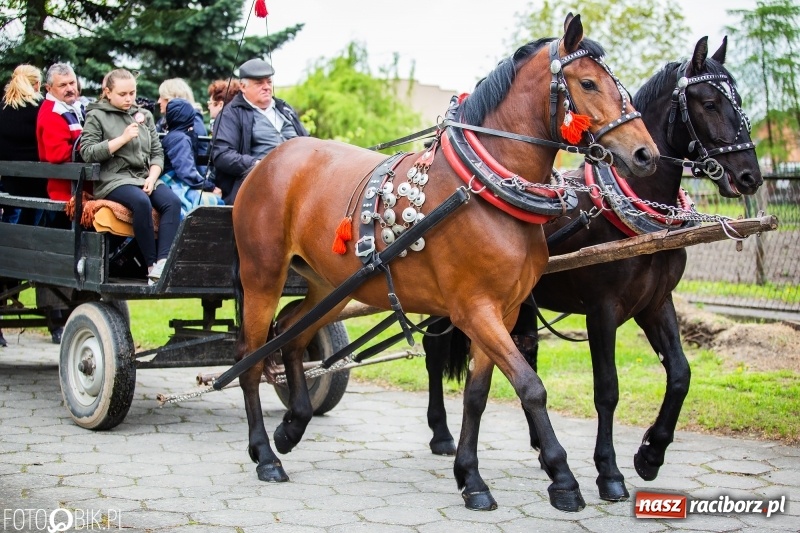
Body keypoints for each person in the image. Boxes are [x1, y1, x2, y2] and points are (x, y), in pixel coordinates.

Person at [80, 69, 180, 285]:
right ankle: (151, 266)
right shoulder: (96, 115)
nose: (129, 99)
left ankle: (163, 263)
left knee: (172, 202)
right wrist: (122, 139)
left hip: (143, 176)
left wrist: (152, 177)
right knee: (141, 202)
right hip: (113, 179)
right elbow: (87, 152)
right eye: (122, 94)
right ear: (108, 92)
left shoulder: (145, 116)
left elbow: (157, 153)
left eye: (132, 93)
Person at [211, 58, 309, 205]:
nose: (266, 87)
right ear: (243, 87)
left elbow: (308, 141)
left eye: (269, 82)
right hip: (258, 186)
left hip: (301, 179)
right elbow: (222, 155)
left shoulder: (284, 109)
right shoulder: (230, 114)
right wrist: (258, 164)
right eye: (259, 83)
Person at [160, 98, 223, 218]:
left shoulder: (173, 135)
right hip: (174, 184)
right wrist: (209, 186)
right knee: (217, 202)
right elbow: (186, 172)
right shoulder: (181, 139)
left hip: (169, 182)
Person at [0, 64, 45, 225]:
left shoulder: (3, 107)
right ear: (37, 85)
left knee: (10, 218)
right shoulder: (42, 108)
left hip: (8, 181)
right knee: (32, 222)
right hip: (37, 182)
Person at [37, 63, 86, 203]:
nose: (70, 89)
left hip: (83, 186)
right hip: (67, 193)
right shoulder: (52, 112)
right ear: (49, 88)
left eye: (72, 83)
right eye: (63, 85)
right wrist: (94, 149)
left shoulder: (76, 107)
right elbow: (57, 154)